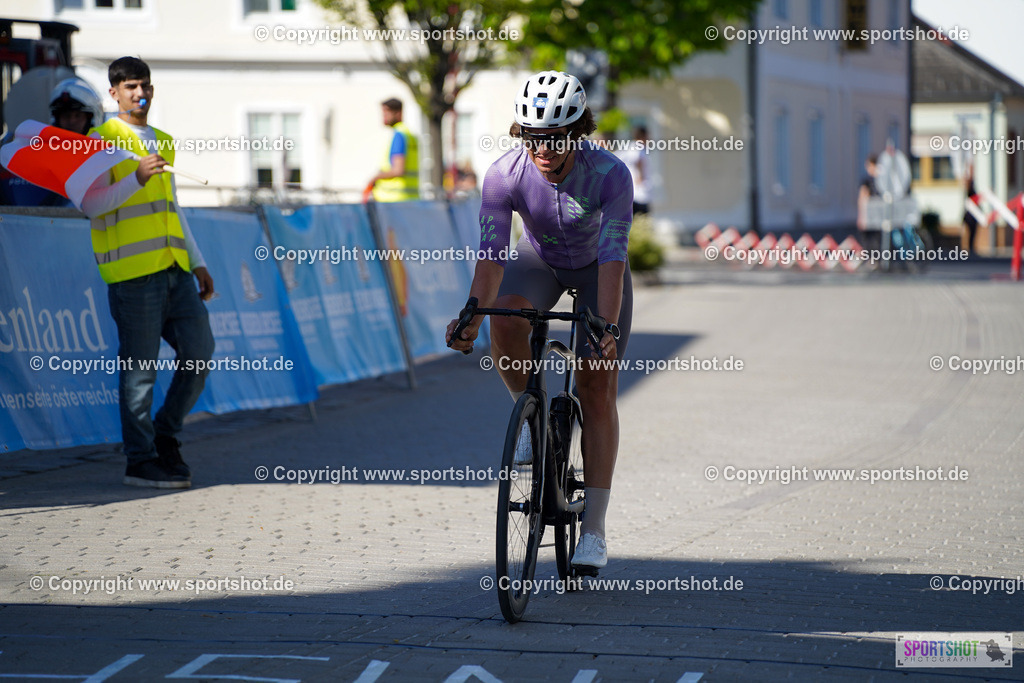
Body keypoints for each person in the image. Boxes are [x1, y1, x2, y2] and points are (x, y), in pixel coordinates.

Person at [446, 71, 633, 573]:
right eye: (533, 137)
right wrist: (471, 312)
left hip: (598, 269)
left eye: (554, 138)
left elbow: (614, 256)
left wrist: (606, 328)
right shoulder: (504, 174)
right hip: (540, 261)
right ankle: (527, 414)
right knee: (503, 319)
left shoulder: (611, 175)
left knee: (596, 388)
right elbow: (491, 254)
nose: (544, 148)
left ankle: (593, 530)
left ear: (577, 131)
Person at [80, 56, 215, 489]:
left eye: (146, 86)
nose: (141, 94)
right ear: (114, 92)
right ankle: (140, 460)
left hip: (175, 269)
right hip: (133, 275)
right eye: (132, 86)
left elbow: (170, 207)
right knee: (139, 372)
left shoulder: (163, 141)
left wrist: (197, 261)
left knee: (199, 353)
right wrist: (135, 178)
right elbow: (91, 205)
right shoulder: (100, 140)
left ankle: (164, 435)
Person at [0, 77, 105, 207]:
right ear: (56, 119)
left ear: (92, 119)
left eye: (78, 116)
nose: (71, 121)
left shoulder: (104, 157)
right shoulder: (38, 156)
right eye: (66, 116)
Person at [369, 98, 419, 201]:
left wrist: (376, 178)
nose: (383, 117)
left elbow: (398, 170)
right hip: (409, 197)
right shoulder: (408, 134)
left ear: (398, 113)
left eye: (386, 113)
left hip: (393, 199)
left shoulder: (399, 136)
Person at [619, 126, 651, 215]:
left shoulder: (629, 147)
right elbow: (638, 160)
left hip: (631, 191)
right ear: (643, 136)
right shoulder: (638, 147)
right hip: (638, 192)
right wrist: (640, 176)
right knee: (642, 217)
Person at [857, 154, 881, 251]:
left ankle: (874, 258)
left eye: (868, 166)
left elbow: (862, 196)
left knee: (873, 237)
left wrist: (861, 214)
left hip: (873, 213)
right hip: (873, 213)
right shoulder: (877, 179)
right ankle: (873, 258)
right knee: (870, 237)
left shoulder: (872, 179)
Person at [961, 163, 979, 254]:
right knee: (970, 233)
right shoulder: (970, 191)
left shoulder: (971, 191)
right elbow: (968, 180)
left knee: (972, 233)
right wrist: (969, 169)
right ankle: (969, 248)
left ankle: (970, 247)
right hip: (970, 215)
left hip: (973, 214)